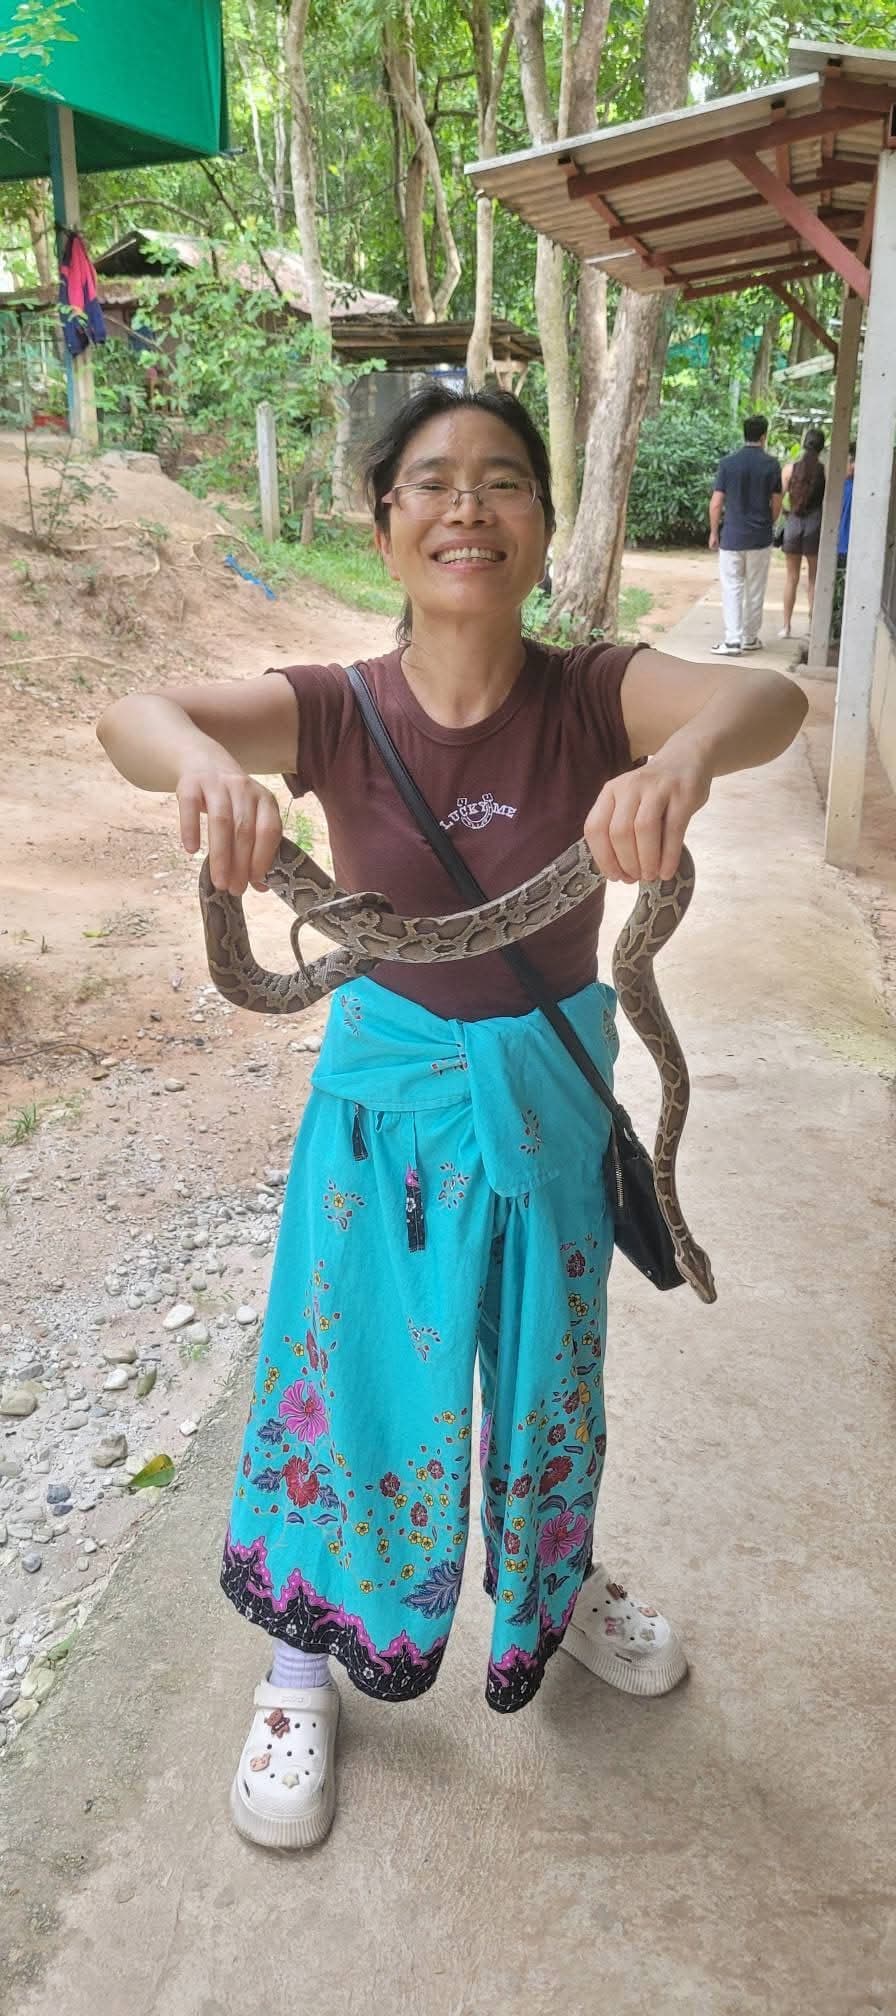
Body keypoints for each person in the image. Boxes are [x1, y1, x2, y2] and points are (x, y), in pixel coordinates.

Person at [97, 387, 807, 1853]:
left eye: (502, 483)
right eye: (429, 483)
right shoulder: (332, 709)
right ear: (385, 527)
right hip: (380, 1118)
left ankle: (557, 1585)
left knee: (554, 1375)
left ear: (547, 527)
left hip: (544, 1097)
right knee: (347, 1378)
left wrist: (677, 763)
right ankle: (302, 1660)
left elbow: (771, 704)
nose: (465, 506)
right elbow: (130, 716)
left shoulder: (597, 693)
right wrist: (205, 769)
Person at [709, 414, 783, 656]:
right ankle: (750, 638)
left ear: (745, 434)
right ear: (764, 436)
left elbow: (716, 503)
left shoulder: (728, 463)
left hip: (732, 536)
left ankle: (732, 640)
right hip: (760, 538)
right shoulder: (772, 465)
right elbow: (776, 502)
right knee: (755, 589)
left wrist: (713, 532)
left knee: (732, 587)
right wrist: (767, 523)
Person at [778, 427, 826, 639]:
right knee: (814, 578)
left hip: (794, 523)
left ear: (804, 444)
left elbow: (780, 498)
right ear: (822, 446)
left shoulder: (790, 469)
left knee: (791, 577)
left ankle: (786, 627)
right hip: (815, 524)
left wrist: (787, 513)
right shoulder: (825, 470)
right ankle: (812, 628)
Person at [831, 443, 855, 647]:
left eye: (848, 461)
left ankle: (840, 631)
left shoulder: (849, 488)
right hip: (842, 546)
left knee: (841, 590)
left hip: (845, 547)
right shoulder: (845, 487)